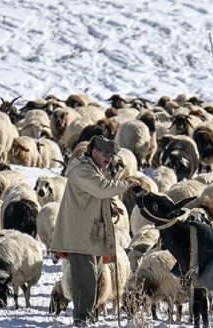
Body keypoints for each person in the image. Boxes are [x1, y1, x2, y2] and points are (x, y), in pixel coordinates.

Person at [50, 135, 131, 327]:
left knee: (94, 280)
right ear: (93, 151)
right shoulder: (82, 170)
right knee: (85, 281)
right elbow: (101, 189)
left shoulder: (93, 170)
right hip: (81, 236)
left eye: (111, 155)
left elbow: (91, 197)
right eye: (105, 153)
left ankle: (88, 318)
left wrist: (108, 208)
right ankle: (82, 321)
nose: (109, 158)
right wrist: (127, 184)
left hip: (92, 234)